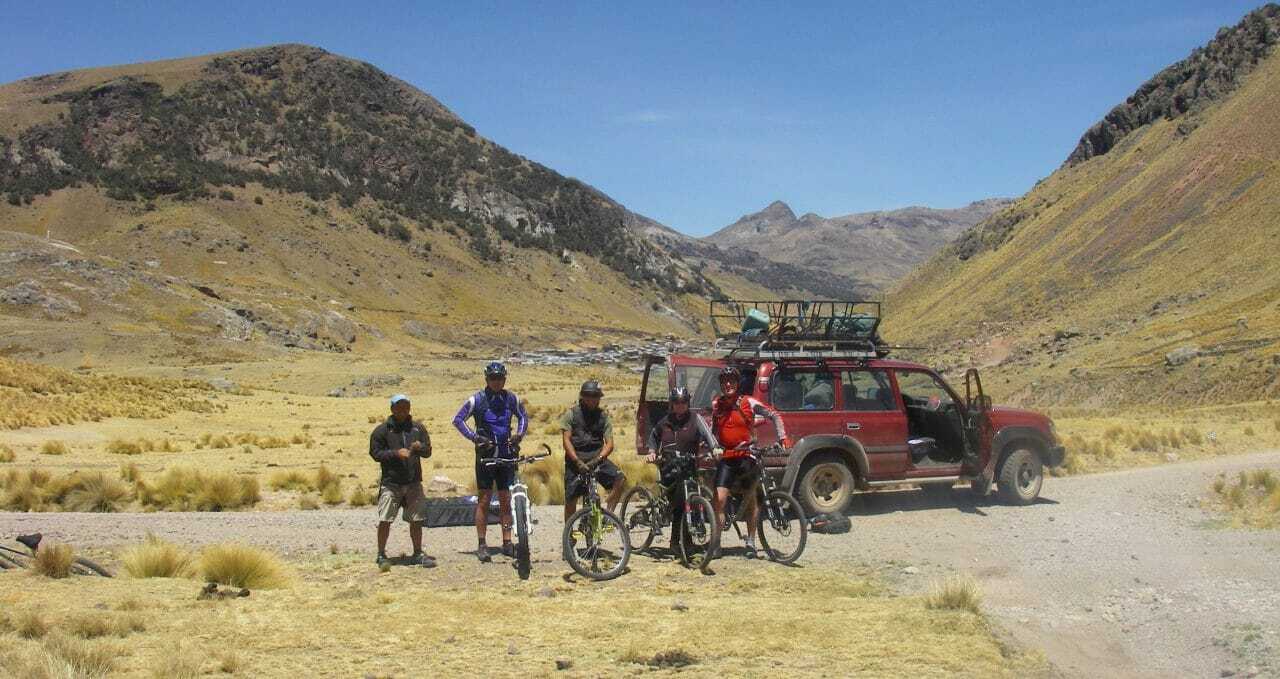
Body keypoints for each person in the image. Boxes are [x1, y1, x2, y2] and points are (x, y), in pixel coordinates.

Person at [710, 366, 791, 559]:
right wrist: (713, 447)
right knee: (719, 500)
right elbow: (713, 430)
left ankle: (751, 542)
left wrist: (783, 437)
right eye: (725, 381)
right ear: (721, 384)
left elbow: (774, 415)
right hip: (727, 459)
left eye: (731, 381)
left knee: (752, 501)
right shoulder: (717, 405)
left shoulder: (748, 402)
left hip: (747, 457)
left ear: (737, 384)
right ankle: (716, 543)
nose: (728, 384)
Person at [452, 361, 529, 563]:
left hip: (506, 453)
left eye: (500, 378)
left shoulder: (511, 398)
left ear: (504, 379)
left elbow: (523, 417)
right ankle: (482, 543)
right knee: (484, 500)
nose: (496, 382)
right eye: (493, 378)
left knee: (505, 499)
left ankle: (507, 542)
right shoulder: (477, 399)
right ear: (487, 379)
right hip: (485, 455)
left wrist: (519, 435)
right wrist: (474, 437)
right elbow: (458, 420)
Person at [644, 387, 717, 554]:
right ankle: (677, 542)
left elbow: (709, 436)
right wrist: (652, 452)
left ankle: (683, 541)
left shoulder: (695, 419)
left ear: (687, 402)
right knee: (679, 503)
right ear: (672, 404)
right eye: (676, 402)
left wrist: (715, 449)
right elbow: (653, 437)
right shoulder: (665, 422)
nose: (680, 405)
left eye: (683, 402)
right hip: (669, 468)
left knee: (685, 503)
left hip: (688, 467)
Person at [369, 394, 435, 568]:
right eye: (399, 407)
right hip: (391, 483)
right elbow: (375, 453)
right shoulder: (382, 431)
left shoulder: (417, 428)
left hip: (413, 482)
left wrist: (420, 448)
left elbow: (428, 451)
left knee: (416, 519)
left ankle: (418, 552)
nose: (403, 410)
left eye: (406, 406)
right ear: (392, 409)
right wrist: (395, 453)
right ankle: (381, 554)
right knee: (385, 519)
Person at [560, 380, 625, 526]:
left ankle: (608, 516)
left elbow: (609, 443)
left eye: (596, 396)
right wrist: (577, 461)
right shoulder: (571, 415)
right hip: (576, 461)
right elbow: (566, 440)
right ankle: (569, 533)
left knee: (620, 479)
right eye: (589, 395)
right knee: (571, 498)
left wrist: (599, 458)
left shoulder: (603, 417)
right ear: (582, 396)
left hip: (597, 460)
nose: (592, 399)